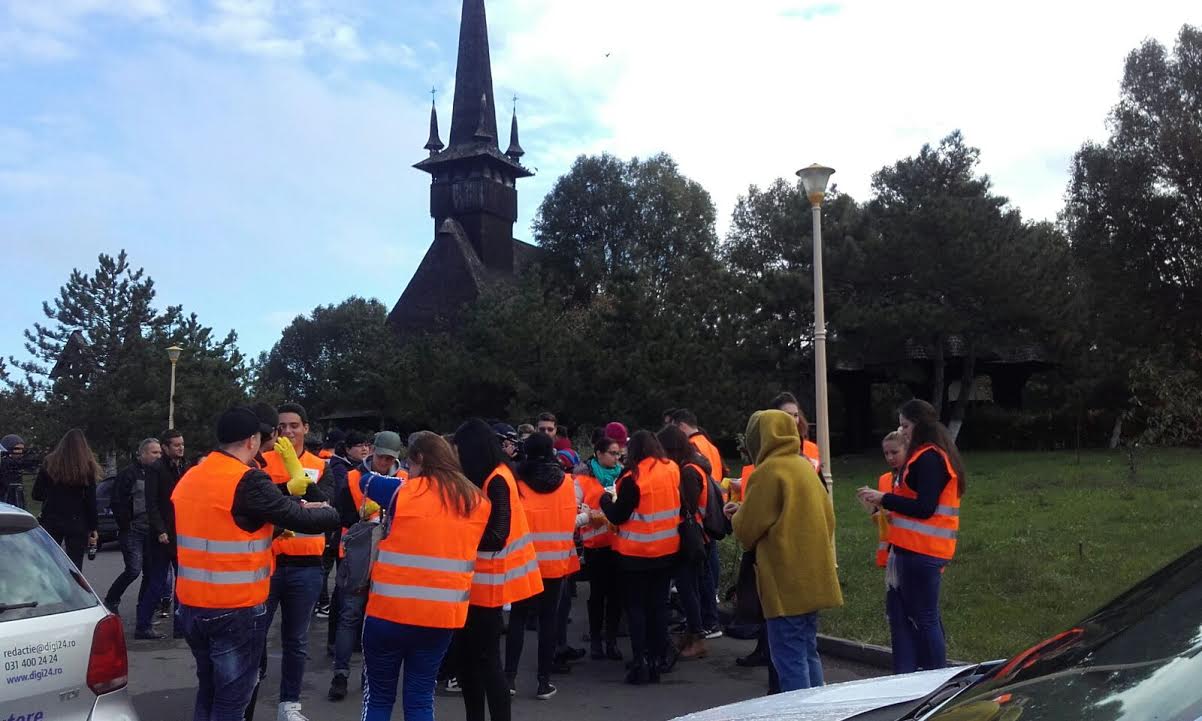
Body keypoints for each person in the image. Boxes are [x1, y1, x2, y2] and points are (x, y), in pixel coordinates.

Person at [173, 406, 340, 721]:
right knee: (231, 701)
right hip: (234, 607)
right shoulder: (246, 479)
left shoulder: (193, 475)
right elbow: (313, 519)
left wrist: (278, 519)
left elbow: (226, 523)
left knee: (208, 690)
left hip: (192, 605)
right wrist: (324, 509)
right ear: (252, 440)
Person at [356, 431, 491, 721]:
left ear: (418, 459)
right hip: (441, 618)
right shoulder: (477, 501)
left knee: (378, 697)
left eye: (410, 463)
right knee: (420, 698)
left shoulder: (400, 492)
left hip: (388, 614)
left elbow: (364, 479)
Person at [728, 409, 842, 692]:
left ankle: (801, 710)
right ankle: (819, 708)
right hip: (813, 578)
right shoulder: (804, 467)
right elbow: (827, 518)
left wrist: (736, 515)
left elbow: (748, 529)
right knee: (808, 651)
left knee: (789, 659)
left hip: (784, 580)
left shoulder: (768, 472)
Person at [857, 399, 966, 674]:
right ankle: (922, 675)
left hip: (922, 550)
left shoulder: (929, 458)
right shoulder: (932, 455)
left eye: (905, 426)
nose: (902, 431)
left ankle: (934, 678)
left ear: (919, 424)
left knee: (925, 619)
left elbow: (924, 507)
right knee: (918, 617)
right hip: (916, 549)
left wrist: (884, 498)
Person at [449, 418, 541, 721]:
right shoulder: (496, 475)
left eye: (459, 450)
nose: (457, 456)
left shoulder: (497, 479)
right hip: (479, 585)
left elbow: (497, 535)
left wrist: (455, 535)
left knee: (485, 663)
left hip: (486, 588)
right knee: (471, 663)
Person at [259, 402, 330, 721]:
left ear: (306, 428)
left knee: (296, 641)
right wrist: (295, 502)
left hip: (307, 566)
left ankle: (289, 705)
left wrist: (295, 480)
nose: (287, 431)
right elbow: (258, 505)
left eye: (294, 425)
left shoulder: (321, 464)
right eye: (281, 427)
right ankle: (247, 695)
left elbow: (326, 508)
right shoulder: (262, 461)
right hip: (269, 563)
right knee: (255, 636)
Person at [327, 431, 404, 703]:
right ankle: (340, 675)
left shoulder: (404, 480)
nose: (384, 462)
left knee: (376, 620)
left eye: (389, 459)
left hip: (388, 559)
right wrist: (365, 515)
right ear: (372, 452)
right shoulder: (352, 477)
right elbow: (339, 514)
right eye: (381, 457)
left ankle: (368, 677)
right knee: (349, 616)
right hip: (356, 556)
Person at [505, 432, 582, 700]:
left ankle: (509, 679)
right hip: (555, 562)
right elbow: (572, 520)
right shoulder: (567, 483)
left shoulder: (516, 482)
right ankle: (543, 682)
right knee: (549, 621)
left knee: (518, 618)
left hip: (523, 560)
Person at [600, 430, 681, 685]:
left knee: (636, 609)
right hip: (666, 550)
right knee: (658, 607)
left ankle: (641, 662)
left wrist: (604, 501)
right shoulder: (671, 469)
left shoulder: (632, 478)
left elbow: (618, 515)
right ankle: (657, 658)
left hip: (635, 554)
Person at [657, 425, 714, 659]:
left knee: (687, 588)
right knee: (690, 587)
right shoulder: (695, 466)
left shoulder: (688, 472)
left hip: (691, 538)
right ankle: (693, 634)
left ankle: (697, 637)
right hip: (698, 536)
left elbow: (687, 507)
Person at [668, 409, 723, 640]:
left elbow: (689, 500)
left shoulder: (691, 456)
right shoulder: (709, 445)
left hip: (699, 524)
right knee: (707, 570)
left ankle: (706, 620)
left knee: (701, 575)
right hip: (709, 515)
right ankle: (706, 618)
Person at [136, 428, 188, 639]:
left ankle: (180, 627)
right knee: (157, 582)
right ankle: (143, 626)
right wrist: (160, 530)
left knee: (183, 583)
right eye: (176, 445)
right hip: (162, 535)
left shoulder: (183, 466)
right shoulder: (156, 469)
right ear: (165, 447)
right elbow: (152, 503)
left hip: (180, 532)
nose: (181, 448)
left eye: (182, 444)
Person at [575, 436, 623, 661]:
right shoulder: (583, 480)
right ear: (599, 453)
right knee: (597, 595)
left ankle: (611, 641)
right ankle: (595, 640)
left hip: (619, 545)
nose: (617, 458)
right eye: (612, 453)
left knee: (616, 596)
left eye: (618, 453)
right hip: (595, 547)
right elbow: (575, 509)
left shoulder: (622, 477)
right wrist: (589, 516)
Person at [103, 437, 162, 614]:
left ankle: (144, 607)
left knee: (150, 572)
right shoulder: (129, 474)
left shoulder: (157, 474)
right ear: (142, 454)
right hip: (133, 529)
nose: (158, 456)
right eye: (154, 452)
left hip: (151, 529)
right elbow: (117, 501)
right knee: (133, 569)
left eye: (160, 452)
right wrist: (125, 524)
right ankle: (111, 600)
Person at [33, 428, 101, 569]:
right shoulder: (87, 466)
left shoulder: (49, 463)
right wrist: (93, 527)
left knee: (51, 563)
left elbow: (37, 494)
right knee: (75, 565)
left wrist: (53, 495)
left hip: (52, 518)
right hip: (77, 520)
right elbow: (91, 501)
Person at [769, 391, 821, 473]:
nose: (793, 420)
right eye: (787, 415)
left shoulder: (811, 448)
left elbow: (818, 479)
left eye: (796, 415)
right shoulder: (766, 448)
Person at [1, 433, 29, 508]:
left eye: (22, 449)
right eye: (17, 449)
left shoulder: (17, 466)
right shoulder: (4, 465)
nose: (20, 452)